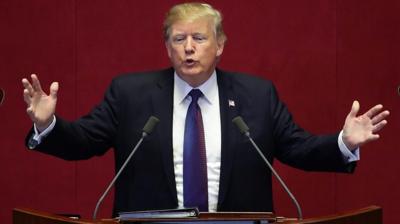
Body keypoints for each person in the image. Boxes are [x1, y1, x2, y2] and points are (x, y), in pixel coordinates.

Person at [22, 2, 389, 216]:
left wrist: (344, 142)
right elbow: (84, 141)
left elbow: (297, 147)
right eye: (178, 39)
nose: (188, 48)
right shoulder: (130, 94)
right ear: (167, 49)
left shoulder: (257, 95)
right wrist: (49, 125)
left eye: (199, 38)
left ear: (221, 45)